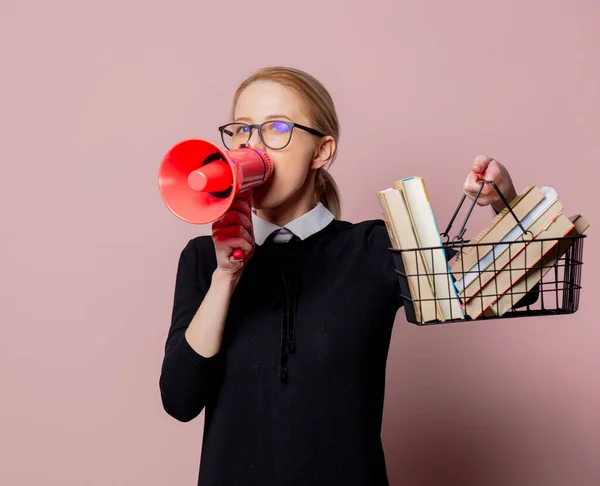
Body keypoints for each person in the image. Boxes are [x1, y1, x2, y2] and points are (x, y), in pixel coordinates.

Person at [159, 66, 524, 486]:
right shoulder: (203, 260)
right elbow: (180, 398)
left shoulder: (372, 248)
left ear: (322, 151)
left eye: (276, 128)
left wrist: (505, 205)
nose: (252, 145)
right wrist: (226, 277)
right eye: (242, 130)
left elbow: (491, 292)